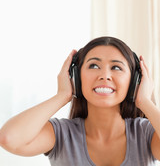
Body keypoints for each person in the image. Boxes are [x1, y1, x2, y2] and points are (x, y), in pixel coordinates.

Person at [0, 36, 160, 166]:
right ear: (76, 77)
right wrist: (62, 96)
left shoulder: (146, 134)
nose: (104, 75)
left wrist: (144, 101)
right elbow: (9, 138)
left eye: (116, 68)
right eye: (94, 66)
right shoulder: (61, 134)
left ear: (134, 82)